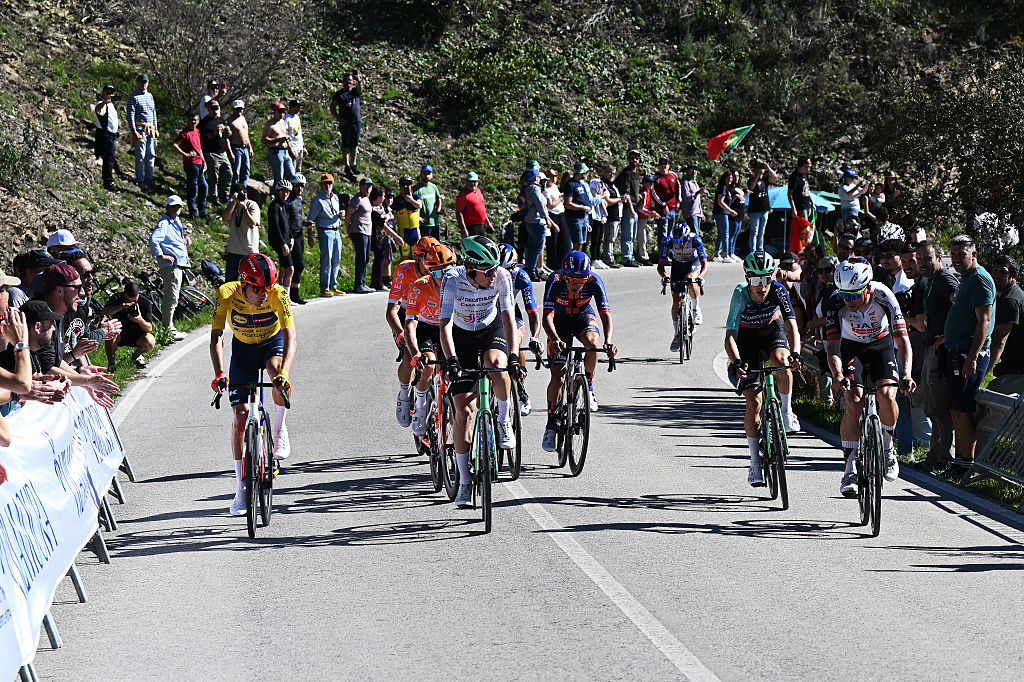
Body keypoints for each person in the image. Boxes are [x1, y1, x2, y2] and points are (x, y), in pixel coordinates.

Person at [439, 236, 522, 507]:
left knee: (498, 367)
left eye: (495, 268)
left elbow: (509, 317)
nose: (494, 274)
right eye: (488, 271)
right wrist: (451, 360)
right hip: (461, 337)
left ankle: (502, 420)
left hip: (490, 328)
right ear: (471, 269)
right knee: (463, 412)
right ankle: (464, 481)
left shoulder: (502, 277)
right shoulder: (452, 280)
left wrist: (513, 356)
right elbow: (445, 325)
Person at [210, 253, 296, 516]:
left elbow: (290, 336)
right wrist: (219, 372)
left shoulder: (278, 294)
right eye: (257, 289)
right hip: (244, 352)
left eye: (267, 288)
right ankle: (240, 488)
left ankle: (280, 429)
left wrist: (285, 373)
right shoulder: (226, 294)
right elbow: (216, 337)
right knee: (240, 414)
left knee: (275, 372)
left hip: (272, 345)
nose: (263, 294)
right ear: (244, 282)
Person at [824, 257, 915, 497]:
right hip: (851, 347)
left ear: (868, 288)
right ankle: (850, 468)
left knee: (887, 395)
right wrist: (837, 374)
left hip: (881, 345)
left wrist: (906, 372)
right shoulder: (835, 302)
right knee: (854, 401)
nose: (849, 300)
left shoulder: (884, 296)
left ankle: (887, 448)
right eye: (845, 295)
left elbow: (903, 340)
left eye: (854, 295)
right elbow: (832, 347)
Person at [725, 251, 802, 486]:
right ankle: (755, 465)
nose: (762, 286)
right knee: (754, 403)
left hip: (771, 330)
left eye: (766, 279)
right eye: (756, 281)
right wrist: (736, 361)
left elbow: (791, 326)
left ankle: (787, 413)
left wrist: (795, 353)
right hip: (747, 338)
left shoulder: (778, 289)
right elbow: (730, 335)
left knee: (781, 359)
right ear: (748, 279)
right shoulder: (740, 294)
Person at [540, 251, 617, 450]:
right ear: (565, 275)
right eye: (572, 279)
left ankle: (588, 387)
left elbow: (605, 314)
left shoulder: (594, 281)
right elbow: (547, 317)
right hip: (559, 323)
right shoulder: (555, 280)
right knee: (558, 376)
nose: (576, 284)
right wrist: (554, 339)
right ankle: (550, 424)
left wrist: (608, 341)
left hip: (582, 317)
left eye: (581, 280)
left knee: (593, 343)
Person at [943, 234, 996, 466]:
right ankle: (959, 461)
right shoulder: (966, 278)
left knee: (964, 410)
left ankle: (967, 465)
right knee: (956, 410)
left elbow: (984, 320)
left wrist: (972, 357)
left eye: (961, 254)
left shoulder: (980, 279)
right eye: (953, 254)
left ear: (973, 254)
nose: (956, 258)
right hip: (956, 351)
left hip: (969, 354)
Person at [405, 242, 458, 436]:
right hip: (426, 329)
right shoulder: (420, 287)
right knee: (427, 366)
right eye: (437, 273)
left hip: (449, 329)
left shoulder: (460, 285)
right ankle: (420, 406)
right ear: (429, 272)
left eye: (447, 272)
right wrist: (415, 353)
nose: (443, 278)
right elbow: (410, 324)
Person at [916, 239, 959, 469]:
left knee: (939, 408)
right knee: (931, 407)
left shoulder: (945, 280)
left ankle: (943, 458)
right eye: (919, 258)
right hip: (930, 350)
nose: (923, 263)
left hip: (942, 354)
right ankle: (935, 455)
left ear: (939, 259)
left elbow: (960, 305)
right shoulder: (931, 280)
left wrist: (948, 336)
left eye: (928, 258)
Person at [387, 237, 436, 427]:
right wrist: (400, 333)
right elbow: (391, 310)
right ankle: (404, 393)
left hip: (429, 318)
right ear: (417, 258)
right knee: (409, 358)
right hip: (406, 316)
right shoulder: (405, 270)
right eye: (426, 259)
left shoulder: (438, 271)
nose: (430, 265)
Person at [497, 243, 541, 415]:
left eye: (505, 271)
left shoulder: (521, 276)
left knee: (514, 339)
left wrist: (534, 338)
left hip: (511, 313)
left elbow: (532, 312)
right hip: (490, 313)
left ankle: (521, 390)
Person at [148, 195, 191, 340]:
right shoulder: (164, 223)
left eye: (178, 206)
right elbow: (154, 239)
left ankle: (169, 327)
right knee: (171, 298)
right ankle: (168, 329)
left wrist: (184, 241)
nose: (177, 208)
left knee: (173, 297)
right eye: (173, 206)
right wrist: (161, 256)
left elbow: (170, 240)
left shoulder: (175, 221)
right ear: (167, 207)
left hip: (177, 264)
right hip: (171, 266)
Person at [658, 229, 709, 350]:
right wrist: (664, 276)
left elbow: (705, 264)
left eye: (683, 240)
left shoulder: (695, 240)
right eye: (677, 241)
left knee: (689, 279)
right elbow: (660, 265)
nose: (680, 244)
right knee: (676, 300)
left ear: (688, 238)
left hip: (693, 263)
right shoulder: (668, 241)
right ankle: (677, 334)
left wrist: (701, 277)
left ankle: (696, 309)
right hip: (677, 265)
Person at [102, 279, 156, 371]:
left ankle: (136, 356)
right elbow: (104, 312)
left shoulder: (145, 302)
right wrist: (122, 306)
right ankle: (111, 364)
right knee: (110, 335)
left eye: (134, 301)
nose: (131, 303)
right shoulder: (117, 297)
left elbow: (149, 329)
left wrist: (139, 320)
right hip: (120, 333)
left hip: (137, 335)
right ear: (124, 294)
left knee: (150, 341)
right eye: (129, 300)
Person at [306, 173, 344, 296]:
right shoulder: (317, 200)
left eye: (329, 183)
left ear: (333, 184)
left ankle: (333, 286)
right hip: (325, 230)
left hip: (336, 229)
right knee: (326, 260)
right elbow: (310, 219)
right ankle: (324, 287)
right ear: (321, 185)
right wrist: (310, 237)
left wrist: (340, 214)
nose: (327, 185)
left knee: (336, 259)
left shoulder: (335, 198)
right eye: (325, 183)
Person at [989, 255, 1024, 378]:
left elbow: (998, 344)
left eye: (1003, 272)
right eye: (995, 271)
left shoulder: (1010, 301)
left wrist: (981, 374)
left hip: (1018, 371)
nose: (997, 276)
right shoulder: (1009, 295)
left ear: (1014, 277)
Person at [220, 184, 261, 281]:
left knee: (249, 282)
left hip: (249, 251)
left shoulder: (252, 205)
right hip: (234, 250)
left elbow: (252, 224)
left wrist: (244, 208)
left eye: (241, 194)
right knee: (230, 282)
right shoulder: (232, 205)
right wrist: (233, 203)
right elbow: (224, 218)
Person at [521, 169, 555, 281]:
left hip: (529, 221)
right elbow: (540, 205)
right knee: (538, 248)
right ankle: (532, 271)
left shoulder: (527, 189)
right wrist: (547, 219)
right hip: (537, 221)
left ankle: (530, 268)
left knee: (532, 247)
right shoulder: (535, 189)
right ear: (536, 178)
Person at [126, 73, 158, 191]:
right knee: (140, 155)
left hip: (151, 130)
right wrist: (134, 131)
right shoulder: (133, 97)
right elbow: (130, 115)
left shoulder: (150, 96)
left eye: (145, 82)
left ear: (148, 83)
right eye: (141, 82)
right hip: (140, 129)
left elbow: (153, 113)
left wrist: (156, 128)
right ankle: (140, 179)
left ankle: (149, 178)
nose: (143, 84)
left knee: (151, 155)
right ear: (137, 83)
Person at [172, 113, 208, 218]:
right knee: (193, 187)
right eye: (191, 120)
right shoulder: (184, 133)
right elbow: (174, 145)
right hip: (191, 164)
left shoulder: (197, 131)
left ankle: (203, 210)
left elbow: (199, 148)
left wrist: (204, 160)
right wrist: (186, 154)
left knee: (204, 186)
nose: (193, 122)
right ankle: (193, 212)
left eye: (195, 120)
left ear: (198, 121)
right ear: (188, 121)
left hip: (199, 162)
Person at [198, 100, 233, 206]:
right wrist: (213, 134)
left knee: (228, 173)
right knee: (214, 177)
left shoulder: (221, 120)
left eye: (217, 108)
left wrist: (228, 132)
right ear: (208, 109)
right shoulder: (204, 123)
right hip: (211, 153)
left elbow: (228, 137)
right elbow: (201, 138)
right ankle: (214, 196)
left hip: (223, 152)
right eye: (212, 109)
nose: (215, 111)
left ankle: (225, 195)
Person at [330, 72, 364, 177]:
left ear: (352, 82)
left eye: (350, 80)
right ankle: (347, 165)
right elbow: (332, 108)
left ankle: (354, 164)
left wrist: (359, 80)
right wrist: (339, 119)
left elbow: (360, 89)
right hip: (345, 123)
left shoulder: (355, 92)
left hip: (356, 122)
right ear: (343, 82)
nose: (348, 82)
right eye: (346, 81)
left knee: (354, 144)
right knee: (345, 144)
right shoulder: (339, 94)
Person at [347, 177, 376, 294]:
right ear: (360, 186)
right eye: (366, 186)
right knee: (361, 258)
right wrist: (348, 229)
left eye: (370, 186)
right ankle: (358, 284)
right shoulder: (357, 199)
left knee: (366, 258)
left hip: (367, 232)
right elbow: (348, 215)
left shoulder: (367, 199)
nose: (368, 188)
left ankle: (363, 282)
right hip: (359, 231)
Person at [615, 150, 642, 266]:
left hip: (636, 207)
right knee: (628, 234)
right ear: (628, 159)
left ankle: (631, 256)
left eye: (636, 158)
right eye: (632, 158)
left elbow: (634, 191)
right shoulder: (626, 173)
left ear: (639, 160)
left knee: (633, 234)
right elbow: (625, 193)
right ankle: (626, 258)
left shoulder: (636, 173)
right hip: (628, 208)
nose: (634, 160)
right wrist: (630, 208)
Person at [267, 181, 295, 290]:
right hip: (279, 241)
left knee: (283, 268)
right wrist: (283, 244)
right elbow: (275, 226)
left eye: (287, 192)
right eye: (283, 191)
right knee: (290, 269)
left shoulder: (284, 205)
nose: (285, 194)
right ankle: (285, 298)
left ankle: (280, 296)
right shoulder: (275, 206)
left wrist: (291, 237)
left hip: (286, 240)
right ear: (278, 192)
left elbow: (287, 224)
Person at [262, 103, 296, 188]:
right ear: (275, 111)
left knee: (292, 175)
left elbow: (286, 137)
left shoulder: (283, 123)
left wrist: (290, 149)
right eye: (280, 111)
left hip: (285, 151)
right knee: (279, 177)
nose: (282, 113)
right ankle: (276, 196)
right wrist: (278, 139)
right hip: (275, 151)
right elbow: (264, 140)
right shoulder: (270, 124)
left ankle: (288, 195)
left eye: (283, 111)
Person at [94, 84, 120, 191]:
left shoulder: (111, 105)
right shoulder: (101, 104)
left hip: (111, 135)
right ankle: (108, 182)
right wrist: (105, 101)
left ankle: (108, 180)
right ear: (103, 93)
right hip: (105, 134)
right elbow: (98, 109)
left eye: (112, 93)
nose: (110, 95)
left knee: (110, 158)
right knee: (109, 158)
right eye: (108, 92)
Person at [287, 173, 308, 304]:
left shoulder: (299, 199)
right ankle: (291, 295)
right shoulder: (288, 199)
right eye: (297, 186)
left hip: (299, 233)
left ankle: (295, 294)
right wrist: (289, 235)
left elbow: (298, 218)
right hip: (292, 235)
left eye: (302, 186)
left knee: (299, 265)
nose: (300, 189)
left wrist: (305, 223)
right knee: (293, 265)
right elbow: (287, 219)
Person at [597, 165, 623, 268]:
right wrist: (620, 199)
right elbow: (608, 200)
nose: (612, 175)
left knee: (612, 237)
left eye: (614, 173)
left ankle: (609, 257)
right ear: (605, 172)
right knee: (609, 238)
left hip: (616, 214)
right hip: (609, 215)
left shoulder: (613, 185)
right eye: (610, 173)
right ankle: (608, 258)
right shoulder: (603, 184)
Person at [543, 169, 568, 273]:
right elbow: (550, 204)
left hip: (561, 214)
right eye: (550, 177)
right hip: (552, 215)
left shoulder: (554, 187)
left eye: (555, 176)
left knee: (564, 240)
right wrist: (560, 199)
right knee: (553, 241)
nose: (553, 179)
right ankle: (552, 263)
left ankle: (562, 262)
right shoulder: (545, 190)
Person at [747, 161, 775, 252]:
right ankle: (753, 250)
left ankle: (760, 249)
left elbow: (775, 177)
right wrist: (757, 175)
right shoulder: (751, 179)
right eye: (758, 168)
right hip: (755, 210)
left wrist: (768, 168)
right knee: (754, 231)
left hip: (764, 209)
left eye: (761, 168)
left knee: (761, 232)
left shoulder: (765, 180)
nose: (760, 170)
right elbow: (751, 187)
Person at [393, 175, 424, 258]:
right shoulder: (396, 200)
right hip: (403, 232)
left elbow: (419, 206)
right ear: (400, 187)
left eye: (408, 184)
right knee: (404, 257)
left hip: (415, 232)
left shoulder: (416, 197)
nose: (405, 187)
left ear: (411, 185)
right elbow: (394, 216)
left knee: (417, 257)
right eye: (403, 185)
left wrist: (410, 200)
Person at [652, 157, 681, 245]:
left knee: (671, 233)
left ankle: (670, 252)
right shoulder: (656, 179)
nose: (663, 166)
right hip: (661, 210)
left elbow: (678, 188)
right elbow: (654, 194)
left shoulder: (673, 175)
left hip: (672, 209)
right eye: (661, 164)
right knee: (663, 233)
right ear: (658, 166)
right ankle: (662, 255)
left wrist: (678, 201)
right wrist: (663, 205)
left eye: (665, 164)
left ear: (669, 165)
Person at [455, 172, 493, 237]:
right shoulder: (463, 195)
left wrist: (488, 223)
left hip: (480, 226)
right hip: (470, 227)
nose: (473, 184)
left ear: (478, 182)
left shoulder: (478, 191)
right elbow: (459, 213)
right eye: (470, 181)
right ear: (466, 182)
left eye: (475, 181)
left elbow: (482, 209)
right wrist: (464, 230)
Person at [712, 171, 738, 263]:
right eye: (728, 178)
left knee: (720, 233)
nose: (730, 180)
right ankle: (725, 254)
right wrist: (731, 211)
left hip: (722, 213)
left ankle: (716, 254)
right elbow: (720, 202)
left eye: (731, 178)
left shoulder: (725, 188)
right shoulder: (722, 187)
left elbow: (726, 202)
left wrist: (735, 197)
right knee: (725, 233)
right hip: (721, 213)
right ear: (724, 178)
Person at [226, 100, 253, 188]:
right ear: (233, 109)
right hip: (236, 148)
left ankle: (243, 191)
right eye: (237, 109)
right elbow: (226, 139)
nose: (239, 111)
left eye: (241, 109)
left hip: (244, 148)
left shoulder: (243, 118)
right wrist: (230, 152)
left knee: (246, 171)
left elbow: (246, 135)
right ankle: (234, 191)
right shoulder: (229, 121)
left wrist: (250, 148)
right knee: (236, 171)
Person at [413, 164, 443, 239]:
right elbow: (410, 205)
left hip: (434, 223)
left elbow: (439, 199)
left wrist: (438, 210)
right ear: (421, 174)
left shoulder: (434, 187)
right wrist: (418, 217)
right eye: (424, 173)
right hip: (423, 225)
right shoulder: (416, 189)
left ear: (432, 175)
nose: (426, 176)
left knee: (436, 245)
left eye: (428, 174)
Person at [679, 164, 704, 236]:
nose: (694, 172)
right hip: (690, 213)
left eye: (695, 170)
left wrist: (701, 213)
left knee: (696, 234)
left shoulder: (694, 182)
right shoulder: (685, 182)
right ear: (687, 171)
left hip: (697, 212)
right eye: (691, 170)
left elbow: (698, 200)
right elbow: (686, 198)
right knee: (694, 234)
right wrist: (697, 192)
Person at [787, 157, 813, 222]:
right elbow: (790, 194)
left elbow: (807, 190)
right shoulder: (794, 177)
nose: (809, 169)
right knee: (804, 229)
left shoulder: (805, 175)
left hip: (807, 205)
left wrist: (812, 202)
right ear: (802, 165)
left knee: (809, 227)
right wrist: (794, 209)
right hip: (800, 207)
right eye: (807, 166)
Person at [284, 100, 307, 172]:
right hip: (293, 147)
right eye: (298, 107)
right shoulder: (286, 119)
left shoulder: (297, 118)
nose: (299, 109)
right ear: (292, 107)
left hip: (299, 147)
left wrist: (303, 147)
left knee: (298, 169)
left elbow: (300, 132)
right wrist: (290, 148)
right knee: (291, 169)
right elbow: (285, 134)